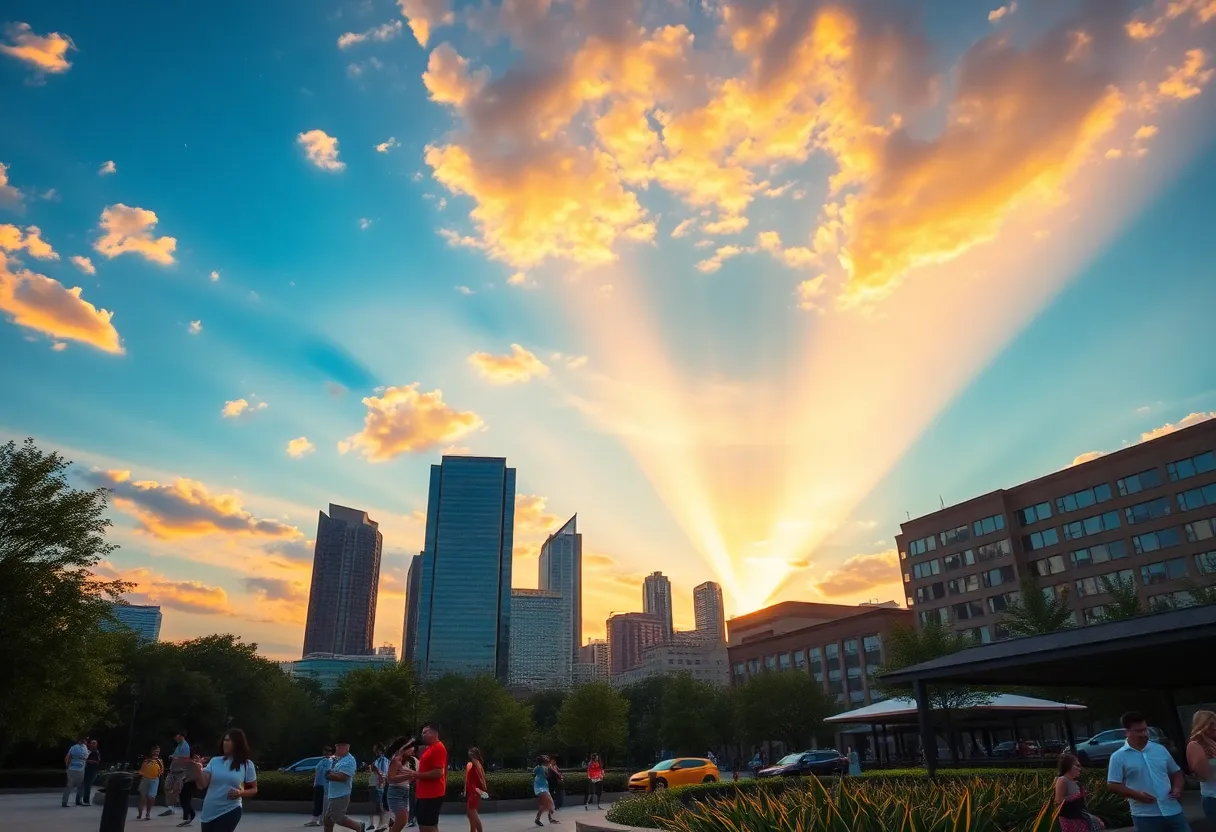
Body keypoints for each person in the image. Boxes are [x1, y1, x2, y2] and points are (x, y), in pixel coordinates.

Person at [1107, 710, 1186, 832]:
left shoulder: (1160, 749)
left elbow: (1176, 772)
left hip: (1173, 811)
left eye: (1145, 729)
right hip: (1145, 816)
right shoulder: (1118, 757)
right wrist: (1137, 795)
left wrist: (1177, 788)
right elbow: (1113, 784)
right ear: (1127, 732)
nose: (1144, 733)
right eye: (1139, 731)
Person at [190, 728, 257, 832]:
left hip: (230, 809)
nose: (224, 743)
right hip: (209, 811)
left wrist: (240, 793)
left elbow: (253, 789)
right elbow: (202, 784)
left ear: (237, 743)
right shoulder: (215, 761)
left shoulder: (246, 764)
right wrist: (197, 769)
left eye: (228, 740)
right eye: (224, 740)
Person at [397, 722, 446, 832]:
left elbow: (438, 773)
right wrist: (414, 776)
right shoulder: (430, 749)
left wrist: (415, 774)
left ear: (434, 733)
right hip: (426, 794)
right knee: (430, 825)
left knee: (426, 827)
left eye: (425, 732)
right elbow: (426, 771)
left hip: (431, 795)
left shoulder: (438, 748)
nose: (422, 735)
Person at [1055, 753, 1104, 832]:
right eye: (1077, 766)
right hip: (1069, 820)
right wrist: (1076, 796)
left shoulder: (1076, 783)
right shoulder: (1062, 780)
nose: (1079, 768)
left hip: (1079, 818)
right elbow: (1058, 800)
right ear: (1068, 766)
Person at [323, 740, 365, 832]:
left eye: (340, 747)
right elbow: (329, 770)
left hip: (341, 795)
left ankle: (359, 826)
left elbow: (343, 777)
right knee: (328, 820)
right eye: (337, 746)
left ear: (347, 748)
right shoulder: (337, 759)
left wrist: (329, 775)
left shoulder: (349, 760)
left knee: (338, 818)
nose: (337, 749)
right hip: (333, 794)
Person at [1186, 709, 1216, 821]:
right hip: (1213, 798)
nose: (1214, 727)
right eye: (1210, 724)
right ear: (1201, 726)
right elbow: (1203, 774)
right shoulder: (1195, 745)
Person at [385, 737, 417, 832]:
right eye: (410, 747)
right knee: (401, 820)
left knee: (402, 821)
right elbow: (391, 778)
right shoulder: (396, 760)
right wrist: (409, 775)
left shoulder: (407, 761)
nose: (413, 749)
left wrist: (413, 778)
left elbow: (406, 780)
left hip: (405, 792)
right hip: (396, 793)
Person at [162, 730, 192, 817]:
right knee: (167, 788)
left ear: (180, 736)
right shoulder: (179, 746)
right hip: (173, 771)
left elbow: (186, 759)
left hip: (180, 772)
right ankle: (171, 807)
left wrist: (174, 757)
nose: (175, 738)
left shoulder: (185, 746)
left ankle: (186, 810)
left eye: (176, 736)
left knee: (177, 791)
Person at [306, 746, 335, 828]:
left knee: (324, 804)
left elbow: (330, 772)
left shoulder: (331, 761)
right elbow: (317, 771)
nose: (326, 753)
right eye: (325, 751)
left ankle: (323, 821)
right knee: (317, 803)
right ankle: (314, 820)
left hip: (325, 785)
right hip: (318, 785)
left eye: (328, 751)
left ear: (330, 753)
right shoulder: (321, 761)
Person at [136, 745, 164, 821]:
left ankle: (148, 813)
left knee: (151, 797)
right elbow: (141, 770)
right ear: (152, 752)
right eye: (155, 751)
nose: (156, 753)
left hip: (154, 780)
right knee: (142, 797)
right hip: (145, 779)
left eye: (158, 751)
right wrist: (138, 774)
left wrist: (158, 762)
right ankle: (140, 813)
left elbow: (161, 771)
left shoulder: (159, 761)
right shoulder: (146, 760)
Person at [464, 747, 487, 832]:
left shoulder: (475, 762)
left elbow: (481, 776)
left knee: (472, 812)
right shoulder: (475, 763)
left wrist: (482, 788)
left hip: (474, 791)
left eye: (470, 752)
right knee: (470, 813)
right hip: (472, 791)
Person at [63, 736, 88, 807]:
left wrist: (67, 766)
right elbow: (85, 758)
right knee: (80, 786)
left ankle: (65, 802)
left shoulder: (73, 747)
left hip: (73, 768)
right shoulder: (85, 748)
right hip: (81, 768)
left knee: (69, 786)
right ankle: (79, 801)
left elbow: (67, 758)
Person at [178, 750, 201, 827]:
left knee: (185, 800)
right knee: (184, 800)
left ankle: (187, 818)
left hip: (191, 783)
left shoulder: (195, 764)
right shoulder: (191, 763)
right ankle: (190, 815)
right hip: (187, 782)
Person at [368, 744, 389, 832]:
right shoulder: (376, 760)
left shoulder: (384, 760)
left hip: (379, 785)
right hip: (374, 784)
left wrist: (380, 777)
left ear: (381, 751)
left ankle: (383, 824)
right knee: (374, 804)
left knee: (380, 806)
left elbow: (383, 773)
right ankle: (373, 824)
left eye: (377, 750)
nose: (375, 752)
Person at [533, 756, 557, 827]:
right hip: (541, 786)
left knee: (543, 805)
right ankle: (550, 813)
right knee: (549, 801)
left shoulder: (538, 768)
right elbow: (548, 775)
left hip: (541, 785)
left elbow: (534, 774)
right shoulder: (544, 768)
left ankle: (538, 819)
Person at [80, 739, 101, 806]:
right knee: (86, 785)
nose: (93, 745)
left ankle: (85, 800)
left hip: (93, 770)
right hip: (87, 769)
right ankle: (84, 800)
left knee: (88, 785)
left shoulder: (96, 752)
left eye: (94, 743)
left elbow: (98, 761)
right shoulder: (87, 751)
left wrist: (90, 761)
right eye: (92, 743)